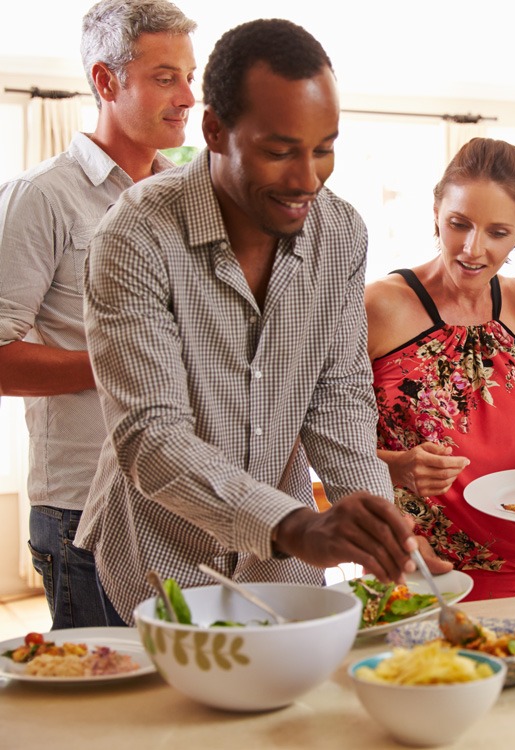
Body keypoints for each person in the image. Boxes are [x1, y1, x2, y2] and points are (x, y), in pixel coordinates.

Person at [76, 18, 422, 625]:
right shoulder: (134, 235)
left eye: (323, 149)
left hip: (282, 580)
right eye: (279, 151)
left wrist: (377, 526)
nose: (308, 179)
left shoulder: (340, 233)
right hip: (157, 574)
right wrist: (296, 526)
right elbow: (150, 438)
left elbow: (338, 398)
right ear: (214, 131)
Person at [0, 0, 196, 628]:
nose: (188, 96)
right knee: (104, 717)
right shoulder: (41, 197)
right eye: (166, 77)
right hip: (82, 510)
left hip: (177, 503)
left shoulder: (184, 200)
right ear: (106, 81)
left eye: (191, 77)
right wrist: (126, 367)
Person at [366, 137, 515, 600]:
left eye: (498, 232)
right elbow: (321, 435)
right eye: (459, 224)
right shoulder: (380, 305)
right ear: (436, 210)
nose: (473, 249)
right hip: (411, 558)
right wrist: (396, 467)